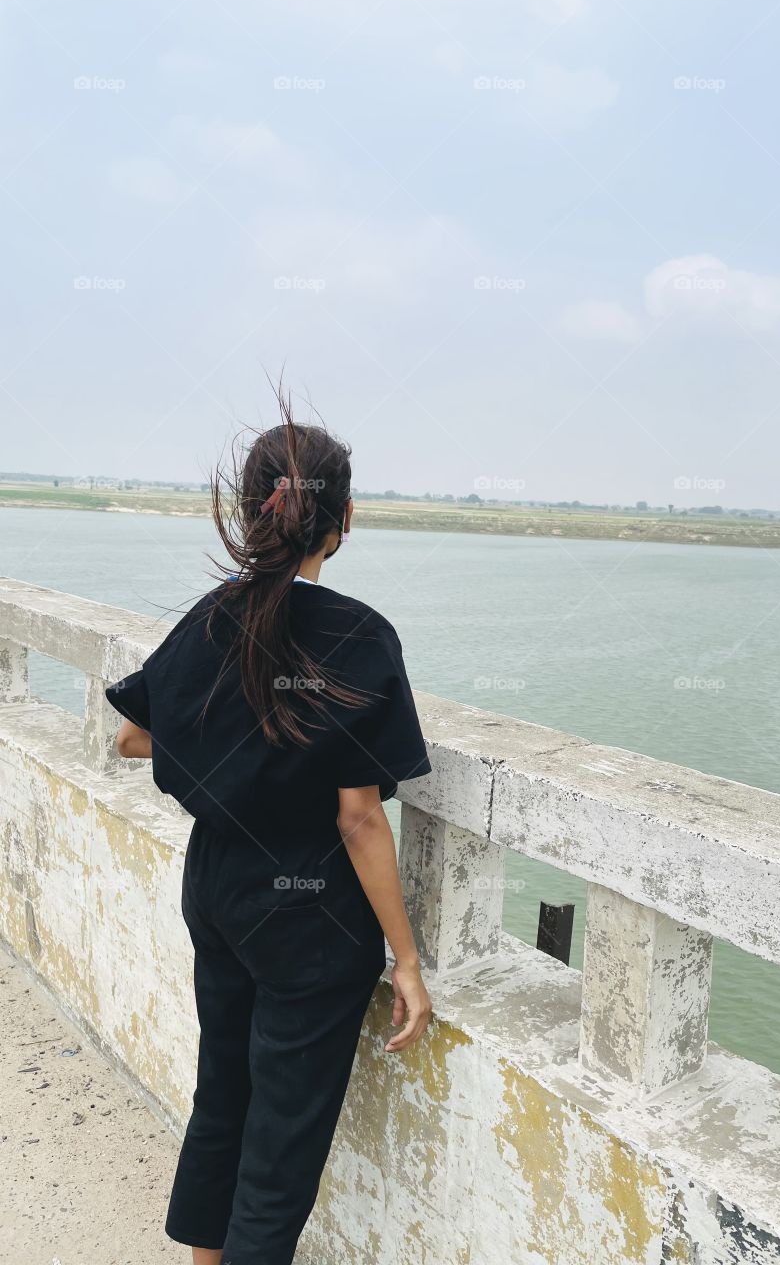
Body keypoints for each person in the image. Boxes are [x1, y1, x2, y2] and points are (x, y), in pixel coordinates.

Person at [105, 393, 433, 1265]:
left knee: (225, 1095)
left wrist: (232, 749)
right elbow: (359, 814)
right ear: (345, 520)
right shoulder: (359, 635)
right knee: (280, 1143)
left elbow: (133, 733)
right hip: (309, 919)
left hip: (216, 889)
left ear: (259, 510)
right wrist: (405, 959)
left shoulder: (215, 613)